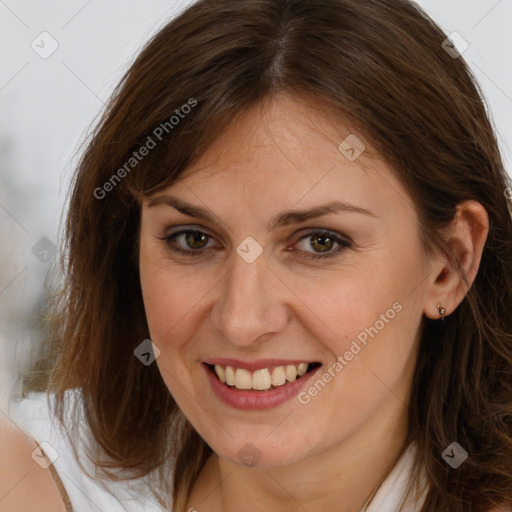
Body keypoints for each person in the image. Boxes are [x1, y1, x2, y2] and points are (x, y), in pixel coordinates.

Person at [2, 0, 512, 511]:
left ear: (450, 263)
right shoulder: (32, 477)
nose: (242, 321)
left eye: (319, 242)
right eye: (192, 239)